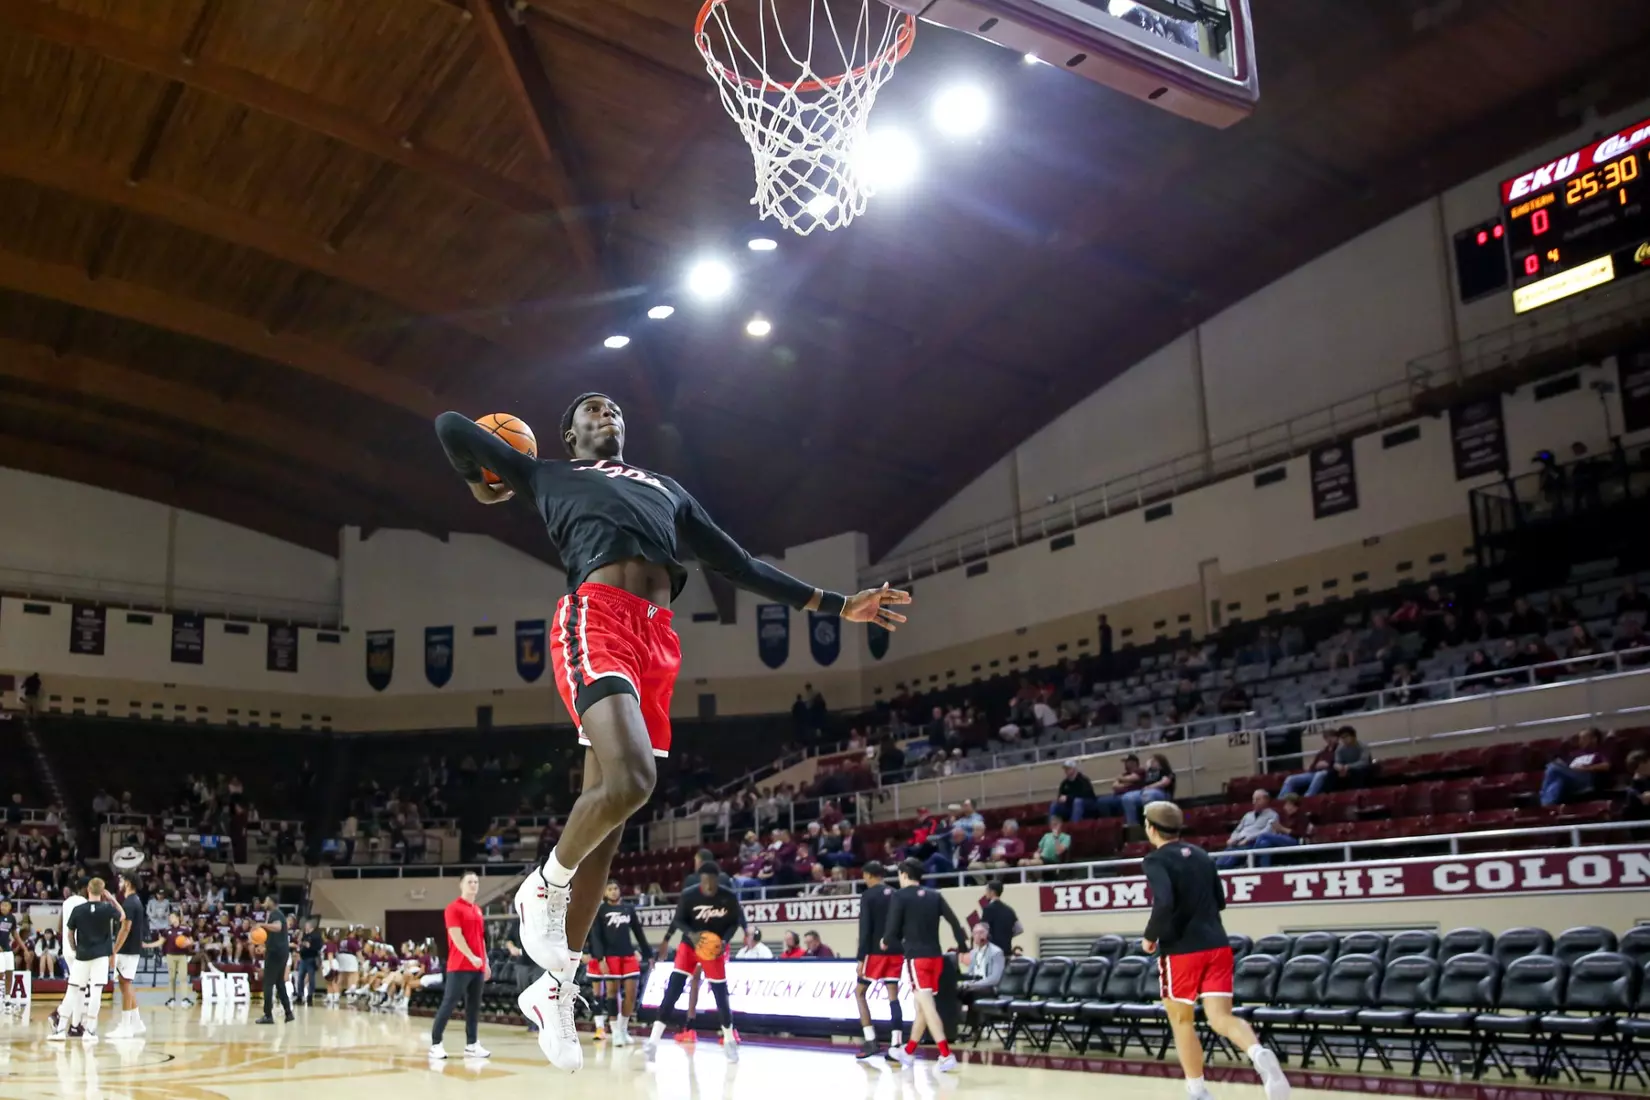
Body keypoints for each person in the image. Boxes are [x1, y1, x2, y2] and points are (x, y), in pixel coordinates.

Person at [439, 396, 912, 1073]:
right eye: (590, 410)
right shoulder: (545, 473)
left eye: (613, 408)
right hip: (594, 617)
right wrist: (481, 474)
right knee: (633, 779)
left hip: (656, 641)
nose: (606, 412)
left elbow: (742, 566)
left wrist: (839, 605)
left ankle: (556, 986)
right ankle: (541, 885)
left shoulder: (667, 489)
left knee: (615, 817)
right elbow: (451, 426)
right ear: (569, 435)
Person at [1140, 802, 1290, 1100]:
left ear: (1151, 828)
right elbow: (1220, 901)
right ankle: (1258, 1053)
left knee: (1182, 1020)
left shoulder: (1155, 860)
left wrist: (1150, 936)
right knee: (1220, 1017)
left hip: (1182, 950)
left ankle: (1197, 1090)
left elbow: (1165, 902)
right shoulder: (1201, 855)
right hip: (1218, 945)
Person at [645, 862, 746, 1062]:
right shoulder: (689, 895)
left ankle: (729, 1040)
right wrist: (691, 934)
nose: (708, 883)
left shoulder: (728, 896)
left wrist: (724, 941)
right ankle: (653, 1042)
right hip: (689, 946)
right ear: (700, 879)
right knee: (673, 991)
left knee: (720, 995)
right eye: (704, 880)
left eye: (711, 880)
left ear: (717, 880)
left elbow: (735, 922)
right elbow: (678, 920)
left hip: (713, 949)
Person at [885, 858, 967, 1072]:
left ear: (903, 874)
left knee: (928, 1007)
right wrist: (963, 948)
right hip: (936, 958)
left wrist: (885, 940)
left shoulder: (899, 895)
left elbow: (892, 930)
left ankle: (946, 1054)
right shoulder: (935, 896)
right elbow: (955, 923)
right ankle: (909, 1052)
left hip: (917, 958)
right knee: (922, 1006)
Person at [430, 871, 491, 1060]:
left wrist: (485, 961)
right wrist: (471, 956)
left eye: (476, 882)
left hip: (478, 967)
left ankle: (472, 1044)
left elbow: (480, 939)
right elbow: (456, 937)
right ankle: (435, 1044)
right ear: (461, 885)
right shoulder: (453, 908)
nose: (473, 885)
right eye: (469, 882)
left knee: (473, 1007)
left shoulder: (477, 910)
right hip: (459, 966)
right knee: (449, 1004)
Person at [852, 861, 906, 1059]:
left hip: (875, 952)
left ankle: (871, 1040)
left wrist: (860, 958)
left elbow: (865, 929)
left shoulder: (868, 895)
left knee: (859, 993)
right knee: (893, 996)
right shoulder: (896, 893)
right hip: (895, 950)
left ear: (868, 875)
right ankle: (896, 1044)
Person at [60, 877, 125, 1042]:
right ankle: (89, 1031)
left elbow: (69, 933)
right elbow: (123, 916)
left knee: (73, 989)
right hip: (101, 956)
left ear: (88, 890)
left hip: (82, 955)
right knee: (96, 991)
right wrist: (111, 898)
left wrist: (74, 948)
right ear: (102, 891)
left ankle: (60, 1030)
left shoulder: (78, 909)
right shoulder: (107, 908)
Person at [589, 879, 649, 1045]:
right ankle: (615, 1031)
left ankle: (623, 1028)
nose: (613, 891)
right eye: (610, 889)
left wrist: (648, 953)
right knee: (612, 993)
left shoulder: (629, 908)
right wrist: (600, 958)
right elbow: (596, 937)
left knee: (631, 993)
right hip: (610, 956)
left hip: (628, 955)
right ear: (604, 893)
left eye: (615, 888)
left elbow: (638, 932)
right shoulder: (600, 910)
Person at [108, 874, 157, 1038]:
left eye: (122, 881)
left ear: (128, 883)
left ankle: (126, 1025)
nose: (120, 883)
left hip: (127, 949)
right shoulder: (135, 900)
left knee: (126, 984)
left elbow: (125, 928)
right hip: (131, 948)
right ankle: (136, 1023)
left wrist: (114, 950)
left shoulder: (130, 903)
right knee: (124, 984)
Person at [1216, 790, 1299, 868]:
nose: (1254, 802)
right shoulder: (1247, 815)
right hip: (1237, 842)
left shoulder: (1272, 815)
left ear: (1266, 800)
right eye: (1253, 799)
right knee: (1219, 859)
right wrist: (1232, 838)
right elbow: (1238, 829)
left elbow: (1267, 831)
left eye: (1258, 799)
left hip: (1252, 843)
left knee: (1229, 862)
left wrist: (1248, 839)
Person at [1540, 727, 1612, 805]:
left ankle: (1543, 800)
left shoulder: (1599, 753)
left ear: (1594, 739)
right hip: (1570, 778)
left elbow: (1606, 766)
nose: (1580, 741)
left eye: (1584, 738)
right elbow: (1567, 767)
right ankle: (1548, 805)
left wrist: (1587, 768)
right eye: (1580, 739)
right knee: (1558, 781)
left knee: (1552, 767)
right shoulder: (1575, 754)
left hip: (1585, 779)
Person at [254, 897, 293, 1026]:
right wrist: (265, 946)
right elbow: (276, 935)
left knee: (268, 983)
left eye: (267, 900)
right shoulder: (278, 914)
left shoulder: (276, 913)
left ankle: (268, 1015)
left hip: (275, 953)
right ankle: (288, 1012)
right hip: (281, 952)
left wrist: (262, 925)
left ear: (272, 902)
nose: (264, 902)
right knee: (279, 983)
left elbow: (278, 927)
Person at [1278, 730, 1339, 799]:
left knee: (1320, 774)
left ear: (1336, 738)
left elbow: (1339, 764)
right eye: (1327, 737)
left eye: (1331, 737)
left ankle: (1307, 797)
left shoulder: (1340, 750)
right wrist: (1317, 766)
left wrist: (1328, 765)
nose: (1329, 739)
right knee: (1291, 779)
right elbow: (1312, 767)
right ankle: (1281, 800)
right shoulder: (1322, 752)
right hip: (1314, 772)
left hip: (1328, 774)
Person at [1122, 754, 1176, 824]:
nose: (1152, 762)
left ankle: (1151, 823)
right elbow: (1138, 772)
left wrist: (1150, 787)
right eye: (1151, 761)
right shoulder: (1148, 772)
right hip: (1145, 792)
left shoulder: (1166, 772)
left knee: (1148, 794)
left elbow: (1165, 782)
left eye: (1154, 761)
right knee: (1127, 797)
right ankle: (1133, 825)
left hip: (1162, 793)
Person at [977, 881, 1022, 955]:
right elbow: (1019, 929)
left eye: (987, 890)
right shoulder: (1009, 910)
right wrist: (1006, 935)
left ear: (992, 892)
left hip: (993, 952)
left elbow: (983, 932)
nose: (985, 893)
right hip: (1007, 951)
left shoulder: (988, 909)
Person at [296, 917, 324, 1007]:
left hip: (311, 958)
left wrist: (306, 944)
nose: (305, 927)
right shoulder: (304, 934)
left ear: (310, 926)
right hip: (303, 958)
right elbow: (301, 944)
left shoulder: (315, 935)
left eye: (306, 925)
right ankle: (300, 995)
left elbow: (314, 946)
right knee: (300, 977)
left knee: (311, 978)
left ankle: (310, 996)